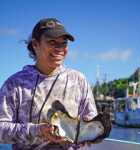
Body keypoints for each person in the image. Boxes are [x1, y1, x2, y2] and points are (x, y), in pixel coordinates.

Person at [0, 18, 97, 150]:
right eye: (52, 42)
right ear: (35, 45)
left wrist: (87, 132)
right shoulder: (14, 84)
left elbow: (91, 120)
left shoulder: (78, 80)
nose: (60, 48)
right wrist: (37, 130)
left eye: (64, 43)